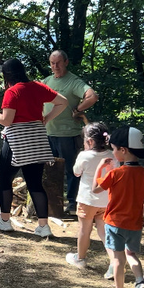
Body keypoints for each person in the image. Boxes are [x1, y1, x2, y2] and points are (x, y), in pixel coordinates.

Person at [0, 58, 68, 237]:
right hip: (37, 138)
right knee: (35, 183)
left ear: (7, 75)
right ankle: (43, 226)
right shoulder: (37, 86)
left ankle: (5, 221)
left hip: (16, 140)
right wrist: (47, 118)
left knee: (5, 180)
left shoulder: (12, 92)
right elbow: (63, 102)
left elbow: (6, 120)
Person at [92, 126, 144, 288]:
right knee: (131, 254)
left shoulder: (115, 173)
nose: (113, 152)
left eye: (113, 149)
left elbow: (96, 189)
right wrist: (139, 214)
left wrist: (100, 168)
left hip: (114, 223)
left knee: (118, 259)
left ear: (123, 150)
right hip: (134, 224)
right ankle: (141, 281)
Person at [42, 50, 99, 215]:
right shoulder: (46, 81)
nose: (55, 66)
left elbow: (92, 96)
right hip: (48, 133)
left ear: (66, 62)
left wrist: (78, 109)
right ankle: (52, 202)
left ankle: (72, 204)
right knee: (49, 169)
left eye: (58, 62)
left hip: (67, 134)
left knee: (71, 170)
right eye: (52, 63)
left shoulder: (73, 81)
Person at [65, 122, 115, 271]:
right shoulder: (113, 155)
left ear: (90, 141)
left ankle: (80, 258)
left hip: (87, 200)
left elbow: (76, 172)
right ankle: (114, 262)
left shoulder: (84, 156)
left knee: (84, 229)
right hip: (106, 200)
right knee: (104, 230)